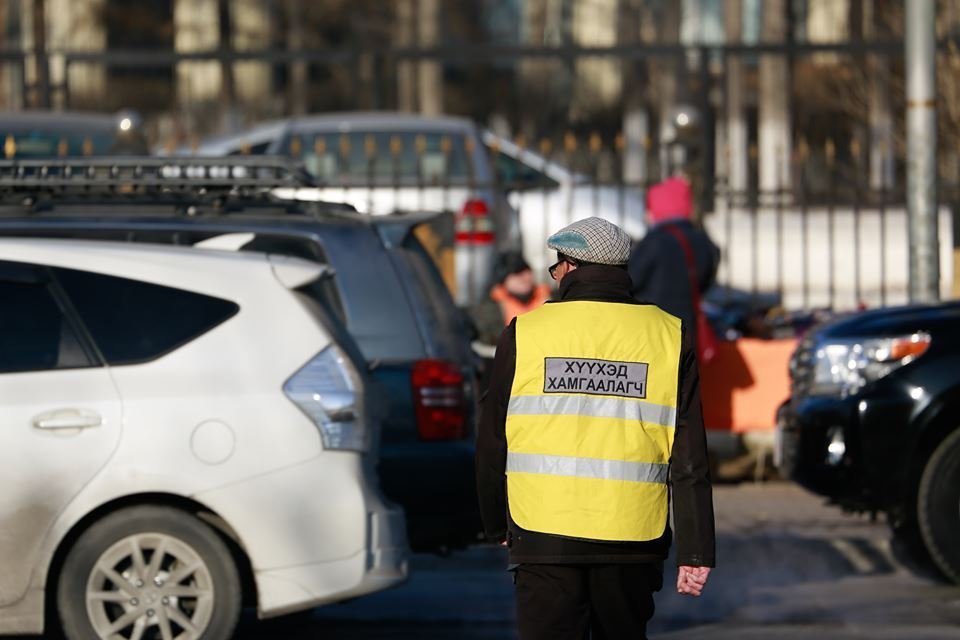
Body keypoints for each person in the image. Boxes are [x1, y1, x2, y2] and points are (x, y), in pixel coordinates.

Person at [476, 217, 716, 640]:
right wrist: (695, 550)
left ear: (568, 267)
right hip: (632, 539)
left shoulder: (525, 333)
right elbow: (689, 455)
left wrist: (497, 523)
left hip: (543, 533)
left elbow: (493, 439)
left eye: (555, 268)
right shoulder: (668, 336)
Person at [629, 176, 720, 332]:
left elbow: (631, 280)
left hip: (655, 325)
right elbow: (706, 279)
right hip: (689, 326)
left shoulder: (654, 242)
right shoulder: (701, 240)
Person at [471, 252, 552, 347]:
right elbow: (485, 339)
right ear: (503, 279)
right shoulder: (488, 308)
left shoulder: (552, 299)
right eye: (517, 273)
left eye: (527, 271)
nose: (525, 278)